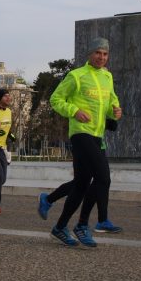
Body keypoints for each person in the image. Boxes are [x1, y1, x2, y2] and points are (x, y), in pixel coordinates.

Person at [47, 38, 122, 248]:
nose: (101, 57)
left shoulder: (107, 76)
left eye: (105, 54)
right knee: (103, 178)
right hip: (80, 133)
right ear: (90, 54)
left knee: (81, 184)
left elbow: (111, 103)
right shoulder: (76, 75)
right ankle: (84, 224)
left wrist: (115, 111)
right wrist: (74, 111)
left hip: (98, 136)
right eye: (98, 52)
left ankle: (60, 226)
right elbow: (56, 99)